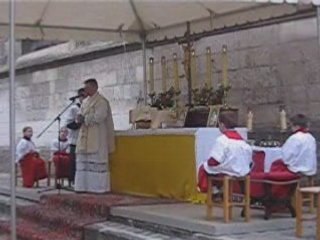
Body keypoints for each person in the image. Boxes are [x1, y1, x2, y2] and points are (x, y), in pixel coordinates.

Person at [74, 78, 115, 193]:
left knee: (96, 162)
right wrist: (78, 118)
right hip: (84, 136)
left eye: (87, 88)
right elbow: (80, 113)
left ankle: (98, 188)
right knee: (83, 163)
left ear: (94, 87)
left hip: (97, 135)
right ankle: (83, 187)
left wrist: (85, 119)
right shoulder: (85, 101)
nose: (85, 90)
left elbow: (100, 116)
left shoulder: (101, 101)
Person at [198, 111, 252, 192]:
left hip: (228, 171)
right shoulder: (243, 142)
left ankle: (212, 191)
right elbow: (249, 161)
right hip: (243, 172)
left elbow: (215, 161)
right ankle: (238, 193)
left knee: (203, 168)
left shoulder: (222, 140)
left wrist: (208, 162)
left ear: (222, 125)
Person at [64, 88, 87, 184]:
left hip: (86, 139)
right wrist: (78, 122)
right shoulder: (74, 108)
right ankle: (72, 181)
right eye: (84, 97)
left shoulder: (88, 108)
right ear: (80, 97)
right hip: (75, 139)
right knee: (74, 162)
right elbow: (68, 124)